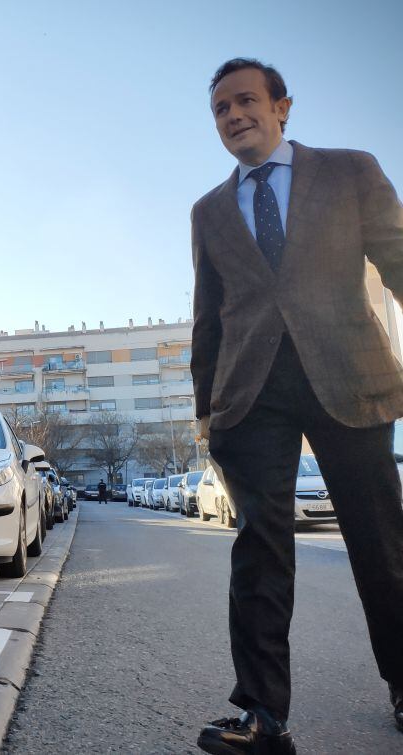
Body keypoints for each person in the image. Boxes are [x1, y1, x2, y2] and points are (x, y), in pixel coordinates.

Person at [191, 58, 403, 754]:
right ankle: (262, 715)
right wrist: (205, 411)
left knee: (381, 544)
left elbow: (399, 260)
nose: (233, 115)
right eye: (220, 108)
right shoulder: (210, 211)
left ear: (282, 107)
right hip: (251, 396)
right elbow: (209, 322)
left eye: (246, 101)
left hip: (348, 377)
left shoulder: (350, 171)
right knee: (259, 549)